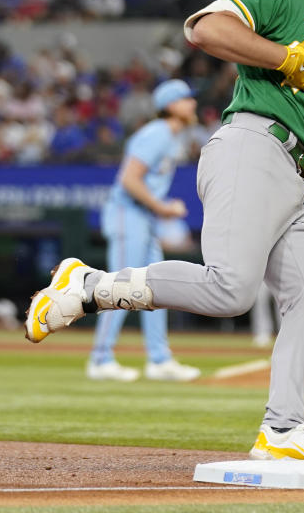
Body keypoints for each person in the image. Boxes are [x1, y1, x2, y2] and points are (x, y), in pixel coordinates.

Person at [24, 0, 304, 464]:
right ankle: (90, 285)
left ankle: (282, 431)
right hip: (249, 149)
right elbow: (204, 28)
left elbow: (290, 98)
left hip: (284, 168)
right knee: (231, 290)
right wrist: (281, 57)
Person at [87, 79, 202, 383]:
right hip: (128, 214)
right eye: (186, 99)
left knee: (155, 287)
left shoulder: (170, 136)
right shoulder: (157, 133)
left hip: (143, 217)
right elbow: (129, 179)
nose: (192, 103)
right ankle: (100, 358)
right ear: (170, 106)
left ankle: (159, 359)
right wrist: (162, 207)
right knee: (121, 285)